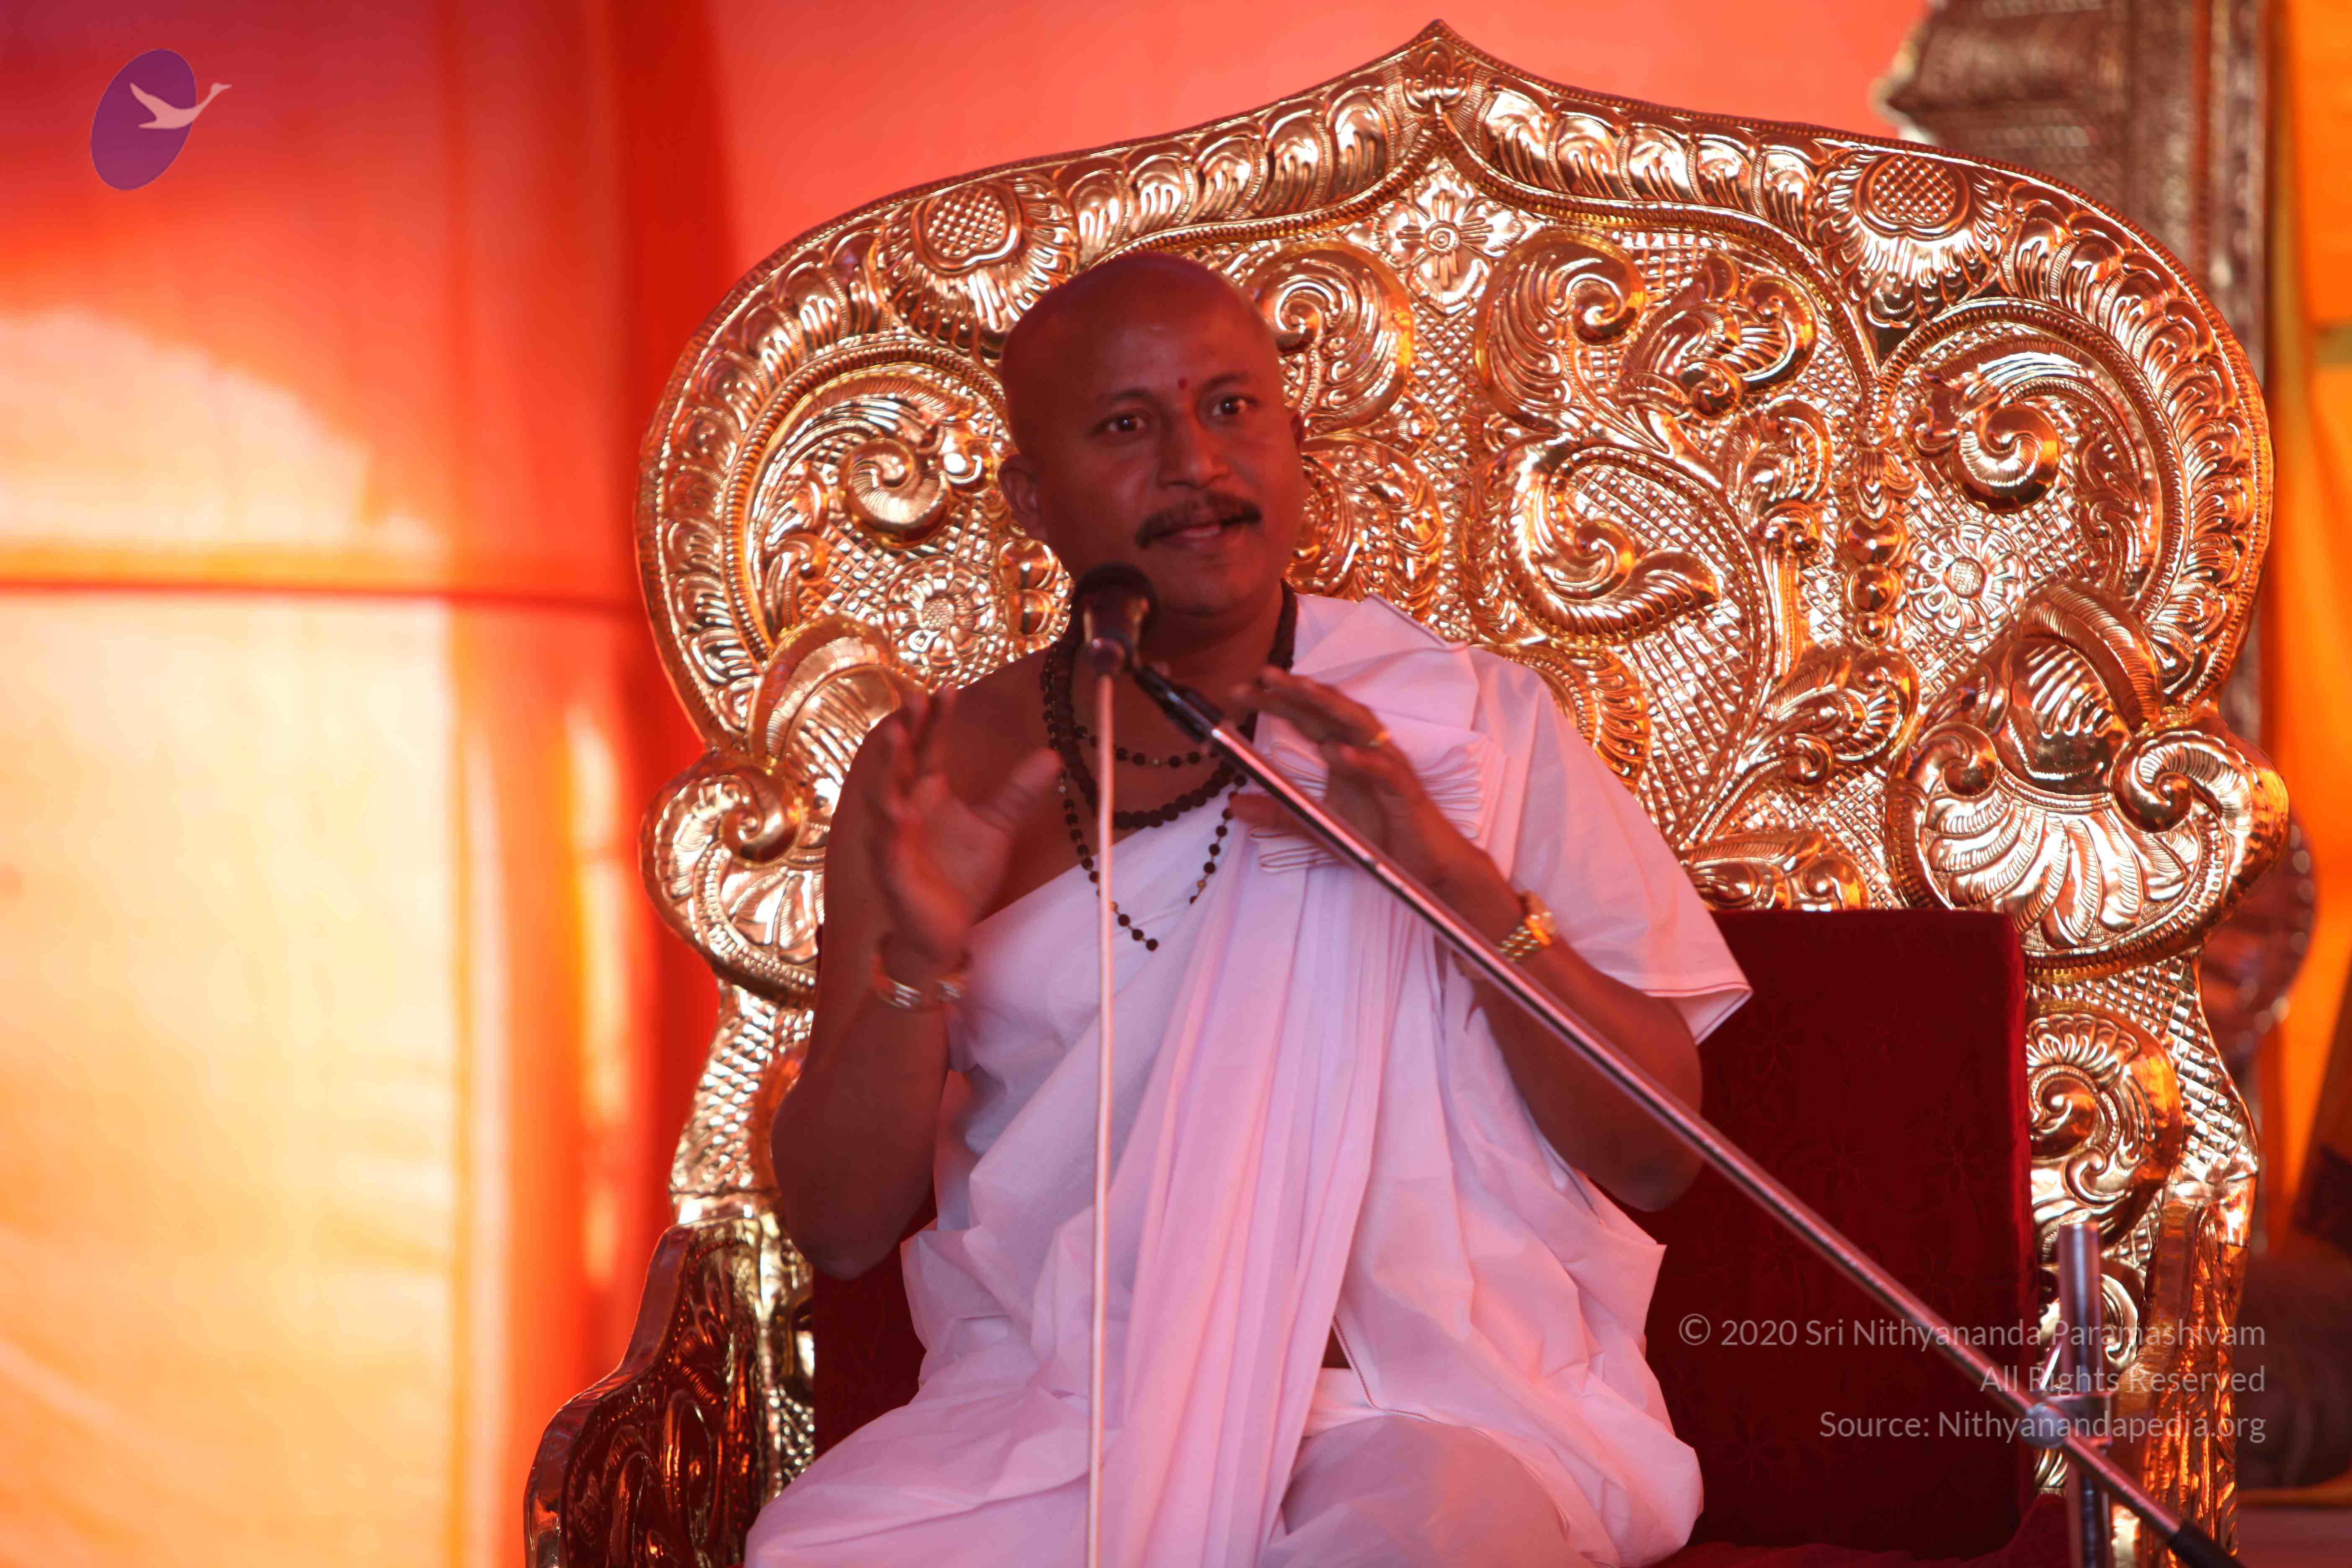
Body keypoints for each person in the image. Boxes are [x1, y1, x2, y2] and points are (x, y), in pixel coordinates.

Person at [747, 253, 1750, 1567]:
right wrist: (918, 968)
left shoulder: (1467, 725)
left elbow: (1655, 1158)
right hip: (1068, 1423)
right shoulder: (937, 775)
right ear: (1030, 499)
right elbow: (838, 1227)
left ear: (1293, 443)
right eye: (1126, 425)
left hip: (1426, 1415)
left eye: (1231, 408)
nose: (1194, 463)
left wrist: (1447, 878)